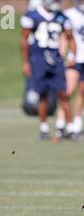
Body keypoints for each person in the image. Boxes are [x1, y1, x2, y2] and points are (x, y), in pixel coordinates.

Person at [20, 0, 77, 141]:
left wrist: (73, 55)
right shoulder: (32, 15)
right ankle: (43, 128)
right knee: (42, 94)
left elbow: (70, 37)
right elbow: (24, 40)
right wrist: (26, 62)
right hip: (39, 59)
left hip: (55, 59)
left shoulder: (61, 17)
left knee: (63, 93)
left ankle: (70, 128)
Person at [55, 0, 83, 139]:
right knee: (67, 91)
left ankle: (77, 124)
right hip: (74, 58)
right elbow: (64, 37)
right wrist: (62, 55)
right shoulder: (68, 14)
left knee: (83, 93)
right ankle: (61, 124)